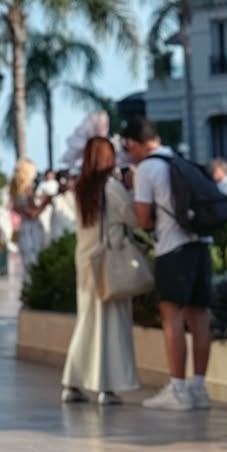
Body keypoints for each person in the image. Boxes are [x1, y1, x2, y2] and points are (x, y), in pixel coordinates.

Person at [124, 116, 213, 411]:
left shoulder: (147, 168)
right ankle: (198, 387)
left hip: (173, 248)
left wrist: (133, 189)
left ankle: (177, 388)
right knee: (199, 315)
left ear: (134, 143)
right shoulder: (179, 160)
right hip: (201, 243)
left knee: (171, 316)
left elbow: (143, 219)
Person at [61, 137, 140, 406]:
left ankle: (73, 382)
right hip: (109, 262)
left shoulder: (81, 188)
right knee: (111, 326)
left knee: (87, 322)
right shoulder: (111, 188)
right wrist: (131, 186)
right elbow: (132, 217)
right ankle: (107, 386)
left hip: (86, 261)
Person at [10, 158, 49, 270]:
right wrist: (46, 202)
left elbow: (15, 208)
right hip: (32, 230)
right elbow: (33, 213)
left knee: (26, 263)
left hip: (23, 228)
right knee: (34, 262)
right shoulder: (27, 189)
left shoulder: (14, 188)